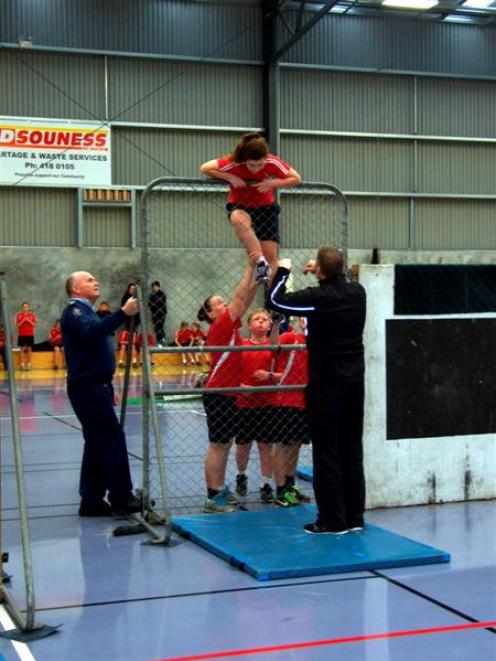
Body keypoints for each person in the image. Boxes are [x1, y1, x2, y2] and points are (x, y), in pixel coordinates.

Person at [268, 246, 366, 535]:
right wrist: (325, 271)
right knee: (352, 450)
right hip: (354, 382)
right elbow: (342, 279)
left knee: (327, 451)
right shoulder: (358, 293)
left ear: (320, 271)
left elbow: (276, 301)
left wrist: (283, 271)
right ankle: (355, 517)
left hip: (327, 384)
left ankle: (332, 520)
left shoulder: (318, 299)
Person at [61, 271, 141, 517]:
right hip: (87, 387)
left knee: (96, 443)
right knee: (112, 439)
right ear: (75, 289)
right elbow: (93, 333)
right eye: (88, 280)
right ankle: (121, 496)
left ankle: (92, 500)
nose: (95, 281)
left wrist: (109, 386)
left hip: (98, 386)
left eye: (96, 278)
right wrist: (122, 313)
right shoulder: (74, 311)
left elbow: (96, 343)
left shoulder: (89, 312)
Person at [197, 259, 258, 513]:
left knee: (224, 443)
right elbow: (239, 297)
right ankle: (213, 496)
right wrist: (250, 266)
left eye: (223, 301)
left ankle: (219, 489)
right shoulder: (220, 327)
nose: (225, 304)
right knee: (218, 444)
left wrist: (259, 273)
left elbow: (244, 299)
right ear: (212, 313)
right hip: (218, 393)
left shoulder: (230, 326)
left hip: (229, 392)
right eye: (219, 303)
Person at [200, 132, 301, 284]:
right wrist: (230, 177)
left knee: (271, 257)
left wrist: (272, 183)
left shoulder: (272, 162)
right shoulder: (234, 162)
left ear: (265, 159)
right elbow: (205, 168)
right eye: (251, 165)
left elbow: (296, 178)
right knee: (238, 219)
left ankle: (274, 298)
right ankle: (260, 261)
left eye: (260, 164)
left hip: (265, 207)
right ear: (245, 160)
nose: (256, 169)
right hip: (240, 204)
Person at [269, 317, 312, 508]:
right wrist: (276, 324)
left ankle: (289, 483)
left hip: (307, 401)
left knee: (296, 444)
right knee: (282, 444)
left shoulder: (318, 342)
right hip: (287, 399)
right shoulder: (291, 337)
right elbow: (273, 347)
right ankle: (280, 490)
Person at [234, 308, 275, 504]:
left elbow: (283, 372)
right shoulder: (241, 345)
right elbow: (229, 371)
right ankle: (241, 475)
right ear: (249, 325)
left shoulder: (274, 347)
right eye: (257, 319)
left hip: (267, 403)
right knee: (243, 444)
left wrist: (270, 376)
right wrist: (240, 386)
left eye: (265, 319)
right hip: (244, 403)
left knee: (266, 445)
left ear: (270, 325)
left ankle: (266, 483)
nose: (261, 322)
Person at [15, 302, 37, 370]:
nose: (25, 308)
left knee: (29, 349)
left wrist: (29, 320)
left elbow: (34, 325)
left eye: (27, 307)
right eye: (24, 307)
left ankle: (29, 364)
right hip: (21, 334)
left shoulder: (32, 315)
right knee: (21, 349)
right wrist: (23, 320)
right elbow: (17, 325)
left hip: (30, 334)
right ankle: (22, 364)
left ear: (29, 308)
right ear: (22, 308)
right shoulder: (18, 315)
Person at [148, 281, 167, 346]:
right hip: (154, 314)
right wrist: (155, 303)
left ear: (158, 287)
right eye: (153, 287)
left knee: (159, 327)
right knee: (157, 328)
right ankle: (162, 339)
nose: (154, 288)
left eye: (155, 286)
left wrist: (154, 303)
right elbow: (149, 304)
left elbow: (160, 302)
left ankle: (161, 341)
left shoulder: (162, 294)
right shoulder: (152, 295)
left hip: (161, 313)